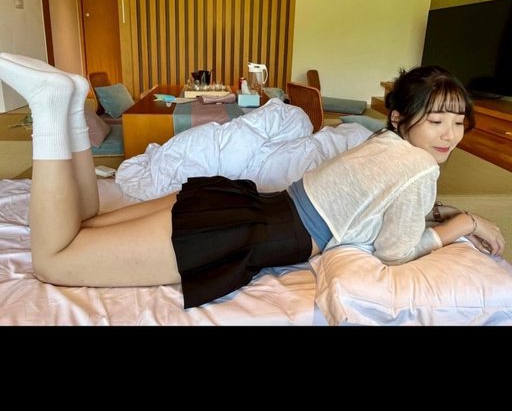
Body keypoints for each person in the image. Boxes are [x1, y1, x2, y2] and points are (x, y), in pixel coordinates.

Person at [0, 55, 506, 309]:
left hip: (238, 203)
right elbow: (397, 252)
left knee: (87, 224)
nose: (450, 135)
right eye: (436, 121)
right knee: (54, 261)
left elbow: (383, 208)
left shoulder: (378, 143)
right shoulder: (419, 168)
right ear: (399, 117)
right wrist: (462, 223)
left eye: (459, 122)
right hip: (238, 233)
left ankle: (71, 105)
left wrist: (441, 213)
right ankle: (50, 107)